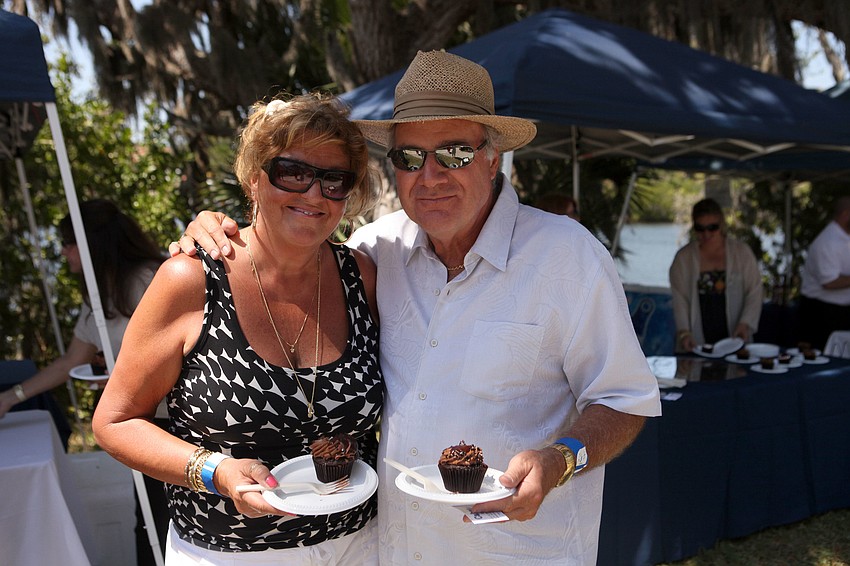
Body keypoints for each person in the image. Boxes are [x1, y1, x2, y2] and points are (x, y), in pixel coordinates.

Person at [172, 51, 661, 565]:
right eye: (409, 158)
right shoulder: (377, 251)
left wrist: (561, 459)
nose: (430, 177)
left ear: (493, 158)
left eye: (453, 153)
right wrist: (215, 233)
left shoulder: (568, 257)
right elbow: (283, 247)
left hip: (517, 550)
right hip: (397, 549)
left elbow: (624, 400)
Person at [93, 94, 383, 564]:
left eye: (334, 180)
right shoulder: (192, 280)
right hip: (228, 553)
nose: (314, 194)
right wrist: (214, 471)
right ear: (254, 178)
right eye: (293, 172)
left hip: (360, 545)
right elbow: (114, 422)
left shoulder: (362, 277)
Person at [0, 199, 163, 419]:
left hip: (175, 418)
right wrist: (9, 398)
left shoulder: (149, 279)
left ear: (93, 243)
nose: (63, 251)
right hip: (140, 419)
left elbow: (172, 355)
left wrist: (122, 378)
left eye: (68, 242)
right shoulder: (98, 294)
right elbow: (71, 361)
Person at [669, 198, 763, 352]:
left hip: (735, 339)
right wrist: (684, 333)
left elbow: (754, 291)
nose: (706, 234)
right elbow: (680, 299)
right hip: (697, 341)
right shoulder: (683, 258)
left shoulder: (742, 252)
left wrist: (745, 324)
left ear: (722, 225)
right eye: (700, 228)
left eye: (712, 227)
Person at [798, 196, 850, 350]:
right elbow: (829, 282)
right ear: (846, 214)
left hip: (842, 311)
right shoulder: (827, 242)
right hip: (821, 313)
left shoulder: (845, 238)